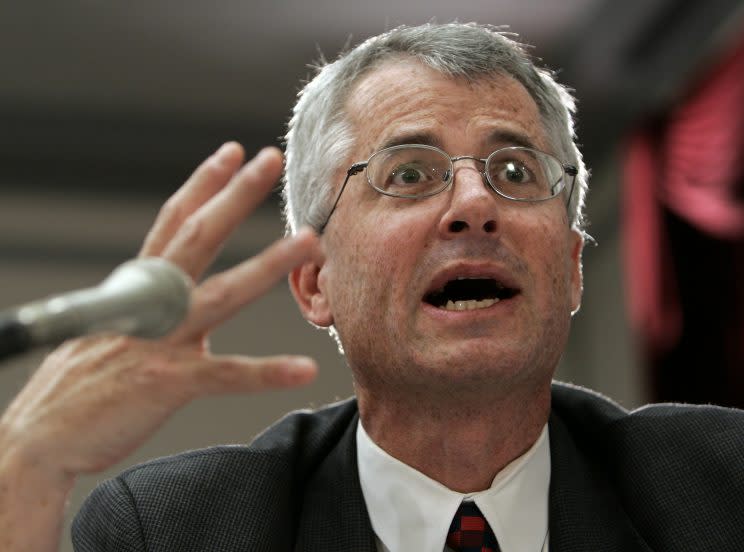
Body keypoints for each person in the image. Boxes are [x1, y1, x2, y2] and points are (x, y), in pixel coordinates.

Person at [1, 22, 742, 552]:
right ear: (314, 282)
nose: (476, 205)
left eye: (515, 172)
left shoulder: (722, 485)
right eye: (409, 173)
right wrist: (29, 465)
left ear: (575, 267)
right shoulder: (175, 529)